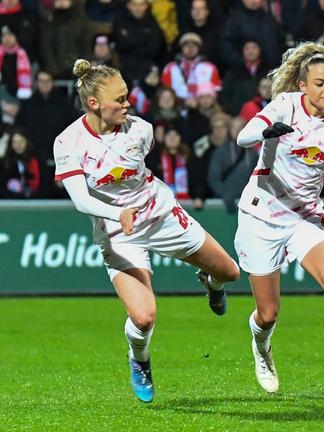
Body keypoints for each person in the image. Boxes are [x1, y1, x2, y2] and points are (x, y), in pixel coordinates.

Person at [53, 60, 240, 403]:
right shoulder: (68, 142)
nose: (128, 104)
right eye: (120, 99)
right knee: (143, 316)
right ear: (94, 103)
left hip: (161, 215)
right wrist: (116, 212)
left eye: (127, 97)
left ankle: (211, 284)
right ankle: (139, 361)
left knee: (230, 272)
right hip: (118, 232)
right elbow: (80, 200)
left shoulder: (141, 130)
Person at [234, 42, 324, 398]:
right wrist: (265, 133)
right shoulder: (285, 105)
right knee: (267, 314)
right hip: (262, 213)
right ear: (303, 85)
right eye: (320, 83)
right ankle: (262, 347)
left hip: (304, 218)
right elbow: (242, 137)